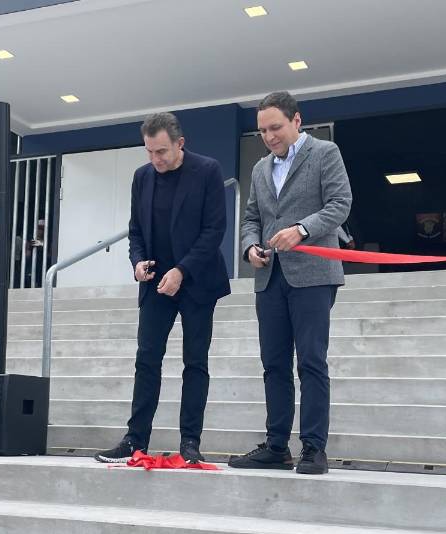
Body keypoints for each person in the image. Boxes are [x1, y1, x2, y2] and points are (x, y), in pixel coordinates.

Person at [94, 112, 230, 464]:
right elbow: (136, 231)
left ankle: (190, 443)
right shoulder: (142, 178)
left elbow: (214, 230)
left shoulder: (208, 170)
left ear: (180, 144)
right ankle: (134, 439)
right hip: (155, 283)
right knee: (146, 360)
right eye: (150, 152)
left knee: (195, 362)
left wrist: (182, 271)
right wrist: (137, 263)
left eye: (162, 152)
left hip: (196, 281)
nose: (156, 159)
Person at [229, 91, 353, 475]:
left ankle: (314, 448)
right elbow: (251, 218)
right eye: (263, 130)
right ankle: (276, 445)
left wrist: (301, 229)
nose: (268, 136)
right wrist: (250, 247)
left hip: (314, 276)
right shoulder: (260, 169)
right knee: (274, 364)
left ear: (297, 121)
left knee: (312, 362)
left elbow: (340, 203)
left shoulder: (325, 153)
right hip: (269, 278)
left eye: (275, 127)